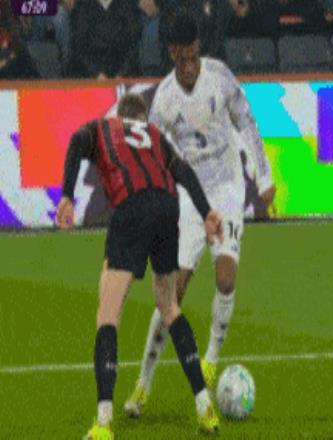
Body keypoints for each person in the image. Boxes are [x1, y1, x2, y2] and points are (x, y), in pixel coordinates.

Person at [124, 13, 275, 417]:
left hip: (227, 188)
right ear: (172, 53)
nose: (190, 64)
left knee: (225, 278)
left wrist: (264, 176)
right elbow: (155, 156)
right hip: (190, 197)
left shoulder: (220, 77)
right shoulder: (164, 100)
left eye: (194, 55)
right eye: (183, 57)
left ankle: (210, 359)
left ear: (198, 50)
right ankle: (142, 384)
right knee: (172, 294)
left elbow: (247, 122)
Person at [55, 93, 222, 438]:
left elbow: (75, 141)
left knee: (108, 314)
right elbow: (183, 171)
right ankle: (205, 407)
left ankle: (104, 423)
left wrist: (67, 195)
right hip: (167, 208)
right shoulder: (156, 137)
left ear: (120, 115)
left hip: (131, 208)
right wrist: (207, 212)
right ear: (143, 120)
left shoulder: (104, 128)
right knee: (169, 307)